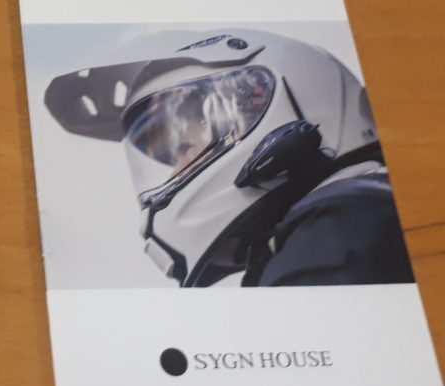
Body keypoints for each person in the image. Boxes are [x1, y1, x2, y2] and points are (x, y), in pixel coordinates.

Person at [45, 29, 414, 288]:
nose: (179, 167)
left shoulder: (341, 219)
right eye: (173, 156)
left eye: (187, 145)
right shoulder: (362, 210)